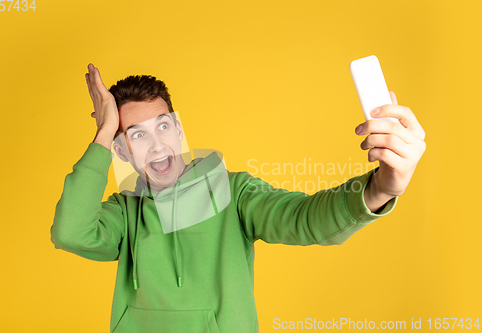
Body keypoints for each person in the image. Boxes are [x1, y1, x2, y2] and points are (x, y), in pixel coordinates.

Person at [50, 63, 426, 333]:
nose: (157, 144)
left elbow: (306, 218)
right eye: (136, 135)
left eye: (163, 125)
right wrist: (105, 132)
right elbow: (70, 232)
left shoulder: (235, 192)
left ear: (178, 128)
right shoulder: (124, 213)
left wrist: (382, 188)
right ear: (121, 150)